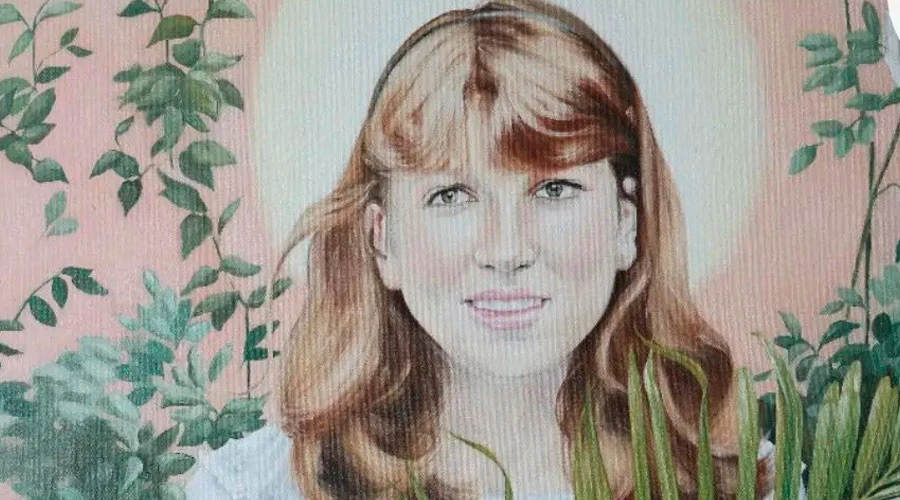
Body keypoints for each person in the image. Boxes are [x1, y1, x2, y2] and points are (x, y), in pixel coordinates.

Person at [187, 0, 801, 498]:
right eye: (452, 195)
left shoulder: (746, 481)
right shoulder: (256, 489)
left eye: (554, 189)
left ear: (625, 222)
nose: (506, 250)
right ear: (382, 239)